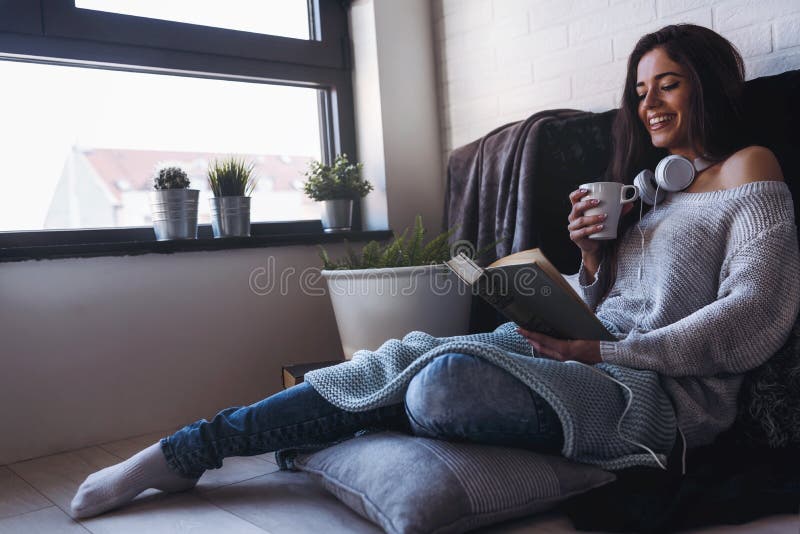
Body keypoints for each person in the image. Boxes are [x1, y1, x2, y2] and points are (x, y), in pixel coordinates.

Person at [71, 24, 800, 519]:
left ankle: (319, 425)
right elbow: (607, 305)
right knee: (405, 353)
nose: (648, 105)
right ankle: (185, 450)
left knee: (441, 380)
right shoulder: (650, 193)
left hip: (655, 401)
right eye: (641, 92)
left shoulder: (748, 169)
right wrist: (587, 264)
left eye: (666, 85)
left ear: (707, 83)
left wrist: (600, 349)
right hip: (586, 361)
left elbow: (754, 318)